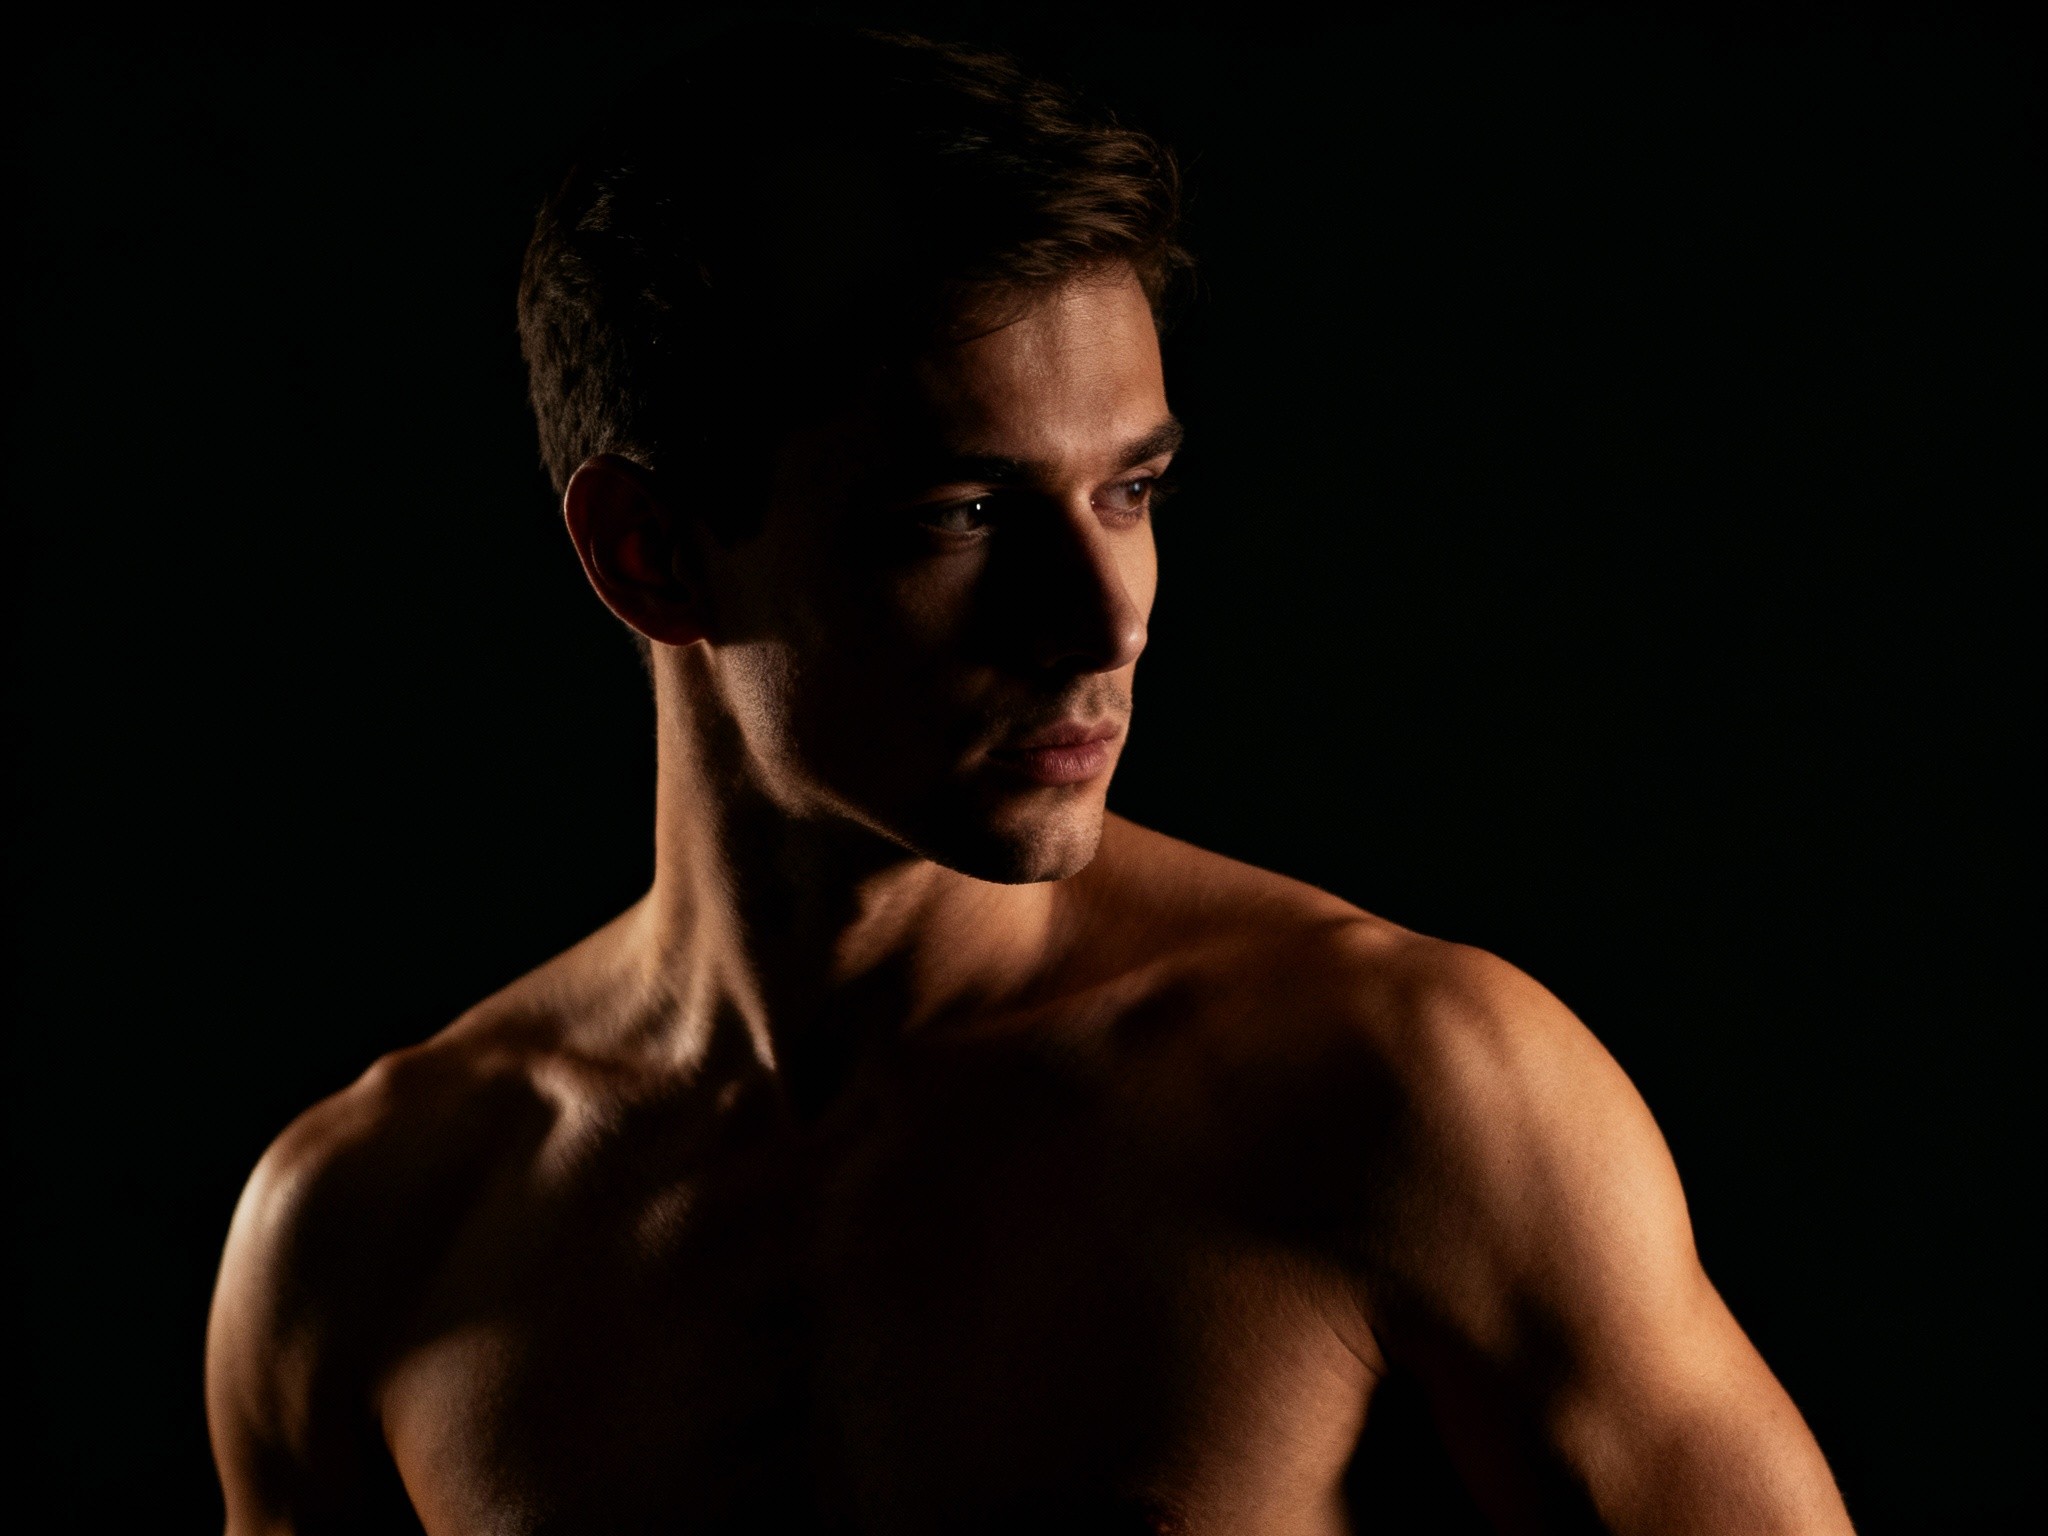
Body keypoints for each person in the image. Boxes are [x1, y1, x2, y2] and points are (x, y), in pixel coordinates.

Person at [205, 27, 1855, 1535]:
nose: (1107, 617)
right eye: (967, 514)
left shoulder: (1408, 1092)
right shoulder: (368, 1234)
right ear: (650, 556)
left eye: (1132, 491)